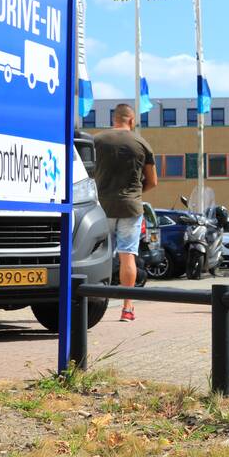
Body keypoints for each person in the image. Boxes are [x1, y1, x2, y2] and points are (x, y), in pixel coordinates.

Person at [94, 103, 157, 322]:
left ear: (115, 119)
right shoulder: (141, 143)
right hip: (130, 207)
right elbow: (153, 181)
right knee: (127, 254)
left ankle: (91, 304)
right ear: (131, 120)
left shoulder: (98, 140)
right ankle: (127, 308)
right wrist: (136, 193)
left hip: (101, 207)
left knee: (96, 253)